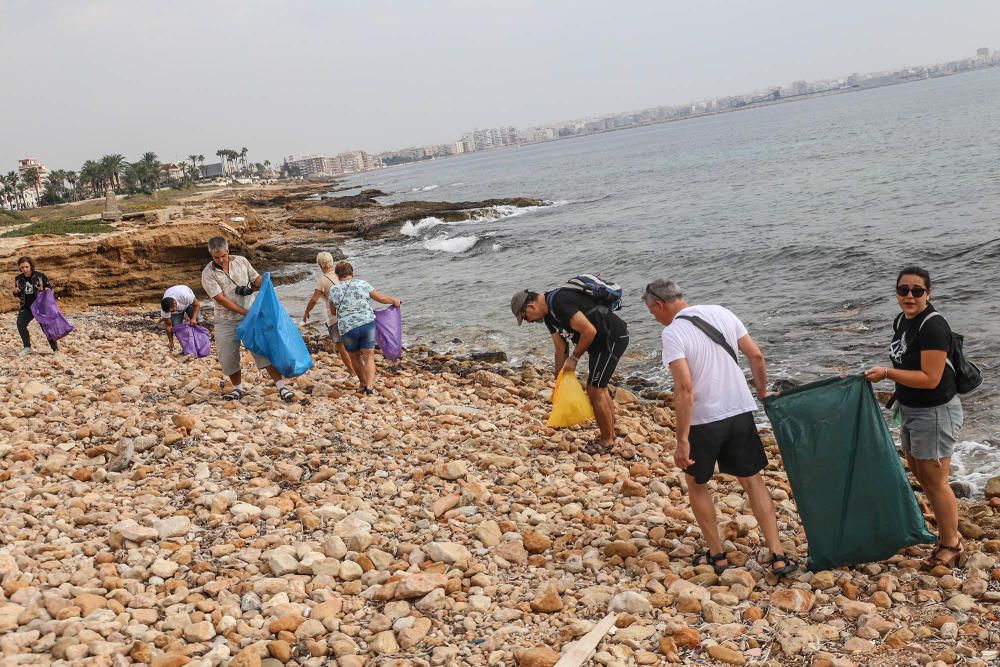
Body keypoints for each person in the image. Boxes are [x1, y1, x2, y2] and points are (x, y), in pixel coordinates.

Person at [643, 278, 795, 576]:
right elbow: (756, 355)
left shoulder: (673, 333)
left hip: (704, 421)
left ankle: (717, 555)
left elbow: (684, 387)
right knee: (752, 480)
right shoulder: (721, 312)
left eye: (652, 313)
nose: (654, 318)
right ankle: (777, 554)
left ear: (659, 305)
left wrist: (682, 439)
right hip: (739, 410)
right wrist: (762, 393)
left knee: (697, 484)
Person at [864, 266, 964, 568]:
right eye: (903, 290)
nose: (909, 296)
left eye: (916, 291)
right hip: (909, 409)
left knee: (936, 481)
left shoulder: (933, 326)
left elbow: (931, 378)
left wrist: (887, 373)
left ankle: (951, 544)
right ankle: (949, 532)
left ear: (928, 293)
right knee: (922, 475)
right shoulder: (902, 320)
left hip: (935, 412)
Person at [511, 285, 629, 455]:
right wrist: (559, 380)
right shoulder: (549, 316)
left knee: (595, 389)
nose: (528, 322)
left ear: (531, 306)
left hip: (612, 338)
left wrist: (574, 359)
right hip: (598, 344)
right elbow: (560, 349)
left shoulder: (560, 301)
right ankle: (610, 434)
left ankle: (607, 440)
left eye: (525, 317)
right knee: (598, 388)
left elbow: (589, 330)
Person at [200, 236, 295, 402]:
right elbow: (221, 299)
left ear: (228, 250)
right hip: (226, 319)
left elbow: (255, 278)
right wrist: (245, 312)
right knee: (227, 357)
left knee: (261, 350)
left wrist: (265, 282)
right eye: (216, 257)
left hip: (250, 316)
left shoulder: (241, 261)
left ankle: (281, 387)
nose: (221, 260)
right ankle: (237, 389)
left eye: (223, 255)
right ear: (211, 255)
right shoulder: (208, 273)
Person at [327, 260, 400, 395]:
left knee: (354, 357)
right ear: (352, 273)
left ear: (337, 275)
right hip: (366, 324)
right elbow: (381, 298)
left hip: (347, 328)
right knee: (369, 356)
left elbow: (332, 312)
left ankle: (362, 383)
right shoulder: (362, 284)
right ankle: (370, 387)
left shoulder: (333, 290)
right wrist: (394, 301)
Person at [301, 252, 354, 375]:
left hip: (334, 317)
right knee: (352, 345)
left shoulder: (322, 280)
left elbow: (314, 299)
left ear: (320, 265)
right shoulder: (341, 275)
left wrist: (306, 312)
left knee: (341, 347)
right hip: (349, 314)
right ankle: (360, 369)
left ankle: (353, 372)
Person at [12, 256, 58, 356]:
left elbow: (49, 289)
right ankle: (27, 347)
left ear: (31, 266)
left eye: (26, 267)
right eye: (22, 267)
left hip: (40, 306)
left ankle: (55, 349)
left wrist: (46, 290)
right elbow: (18, 294)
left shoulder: (40, 276)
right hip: (26, 307)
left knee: (46, 327)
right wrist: (16, 292)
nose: (24, 269)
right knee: (20, 324)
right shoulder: (18, 279)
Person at [160, 285, 201, 352]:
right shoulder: (165, 309)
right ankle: (186, 349)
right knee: (177, 327)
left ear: (175, 303)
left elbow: (197, 304)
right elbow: (168, 326)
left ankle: (200, 345)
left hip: (188, 303)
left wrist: (193, 318)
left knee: (198, 321)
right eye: (171, 312)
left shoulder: (185, 296)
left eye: (173, 310)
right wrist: (171, 341)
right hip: (178, 306)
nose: (172, 312)